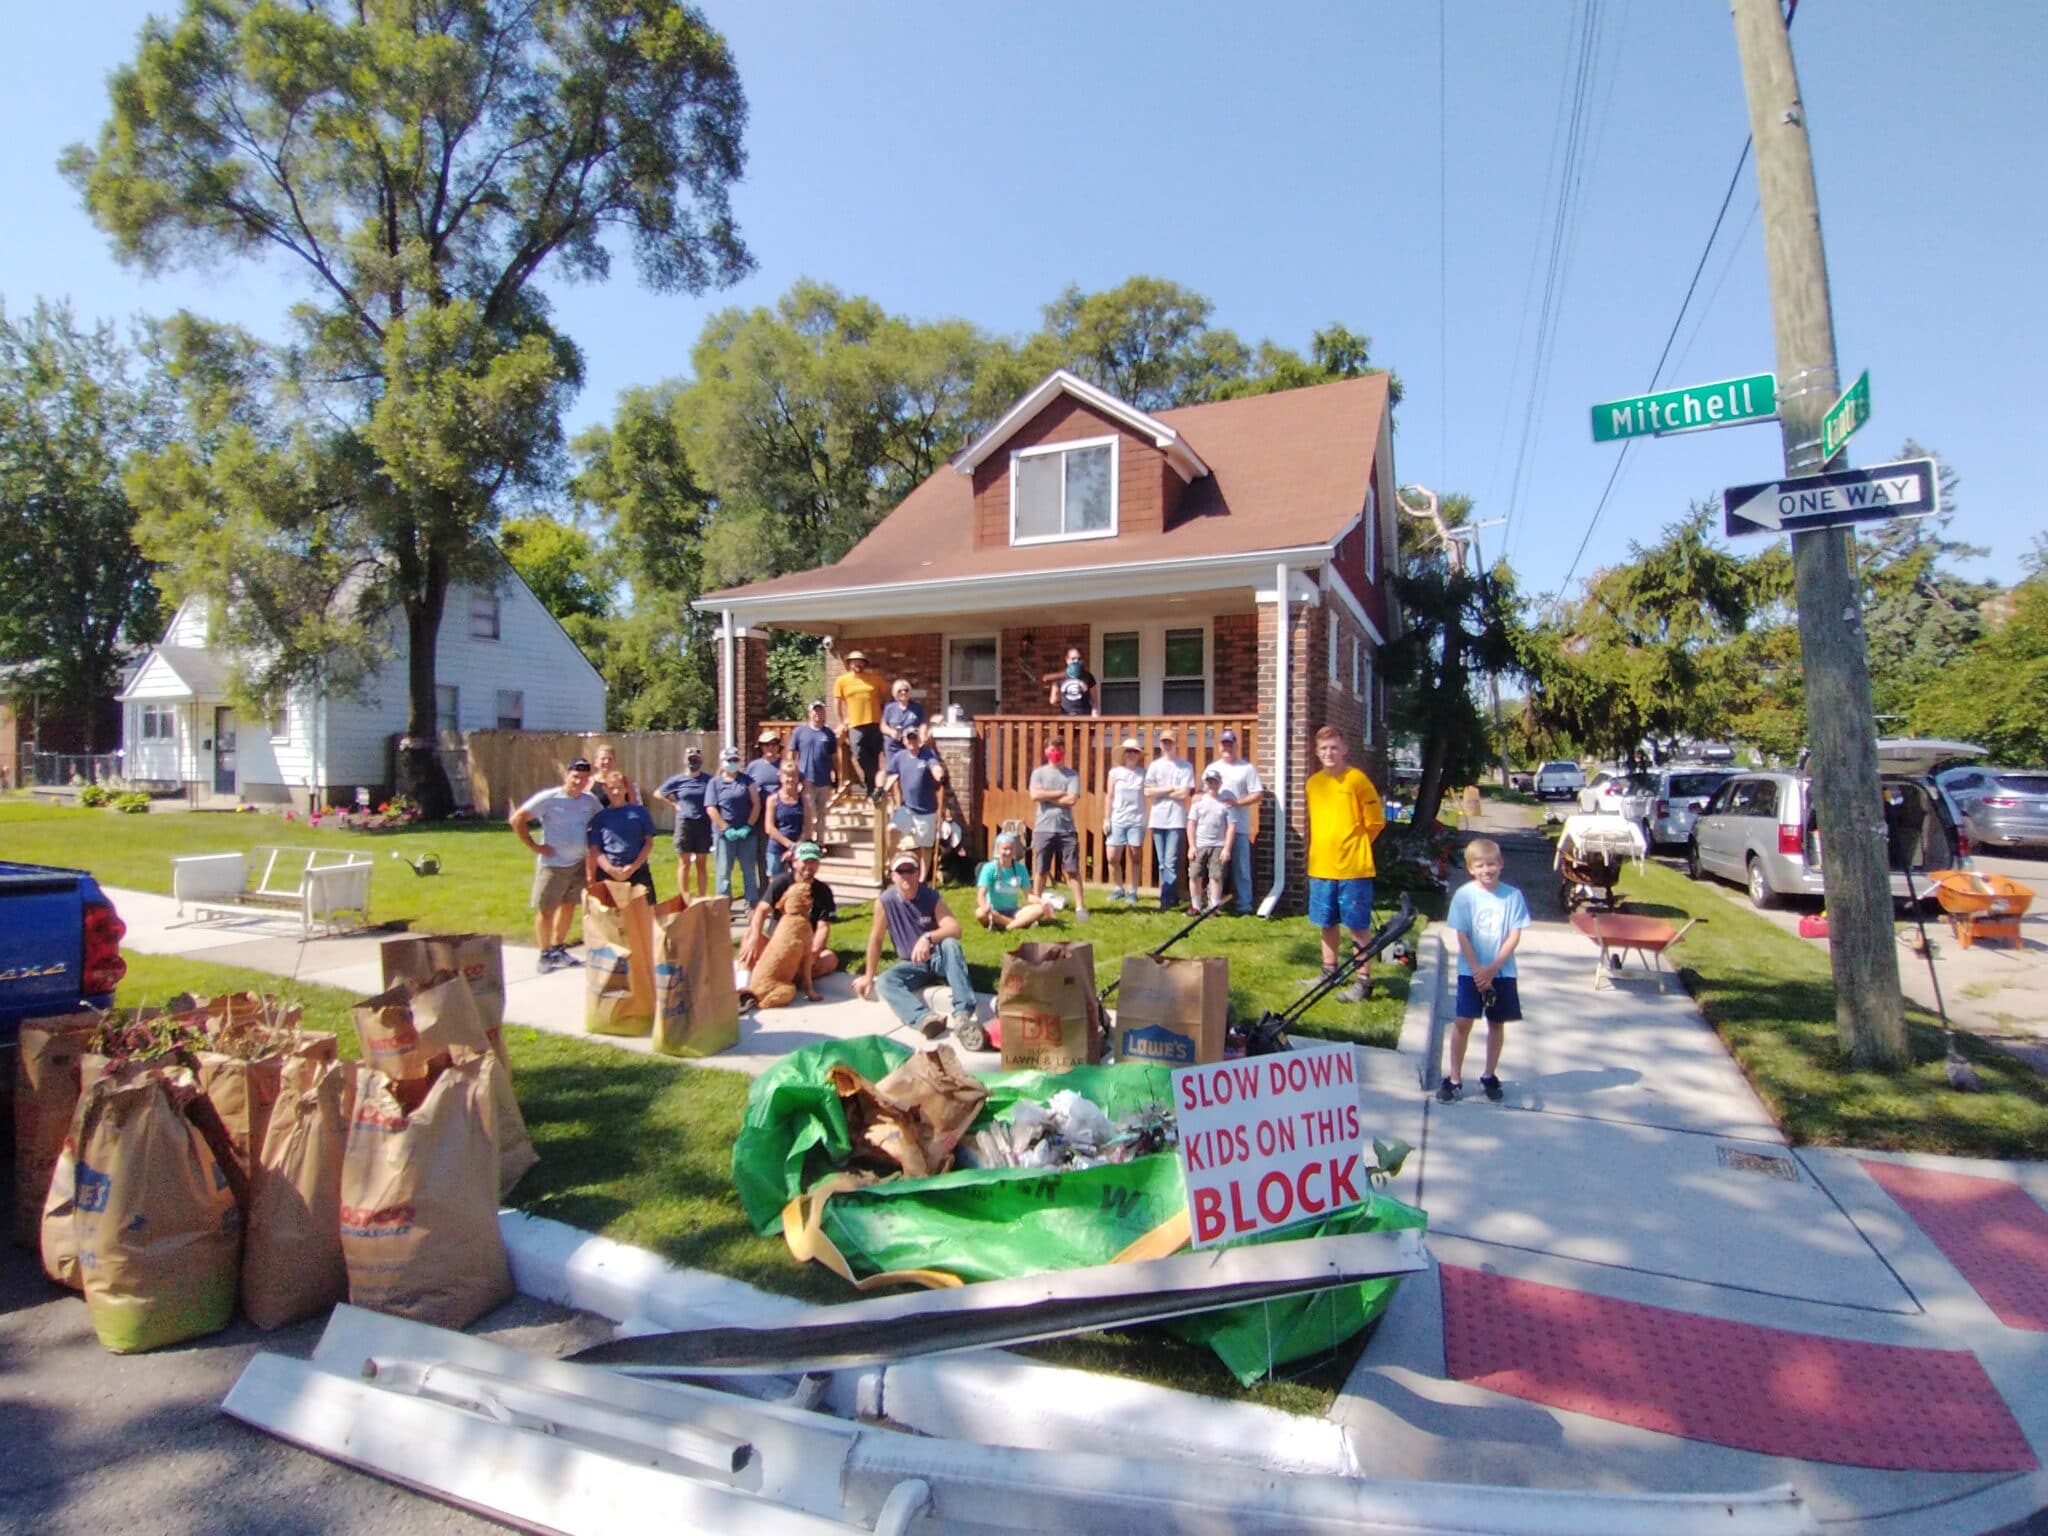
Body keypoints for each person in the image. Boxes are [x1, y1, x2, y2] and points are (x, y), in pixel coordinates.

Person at [1438, 838, 1531, 1104]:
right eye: (1480, 865)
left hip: (1502, 972)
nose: (1487, 870)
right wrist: (1479, 970)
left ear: (1501, 864)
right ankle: (1454, 1078)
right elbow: (1462, 935)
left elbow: (1514, 935)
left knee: (1496, 1023)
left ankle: (1489, 1075)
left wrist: (1492, 969)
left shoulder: (1512, 896)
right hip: (1471, 972)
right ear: (1470, 868)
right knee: (1463, 1022)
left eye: (1492, 864)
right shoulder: (1465, 896)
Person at [854, 847, 977, 1039]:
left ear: (918, 873)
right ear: (892, 876)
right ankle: (925, 1019)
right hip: (913, 963)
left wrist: (927, 938)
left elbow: (955, 929)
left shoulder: (931, 897)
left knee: (950, 944)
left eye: (910, 871)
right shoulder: (885, 902)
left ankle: (963, 1014)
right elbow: (876, 939)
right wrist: (869, 975)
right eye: (900, 871)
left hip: (937, 957)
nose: (906, 876)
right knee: (886, 981)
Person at [1305, 725, 1386, 1002]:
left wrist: (1356, 848)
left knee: (1357, 926)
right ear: (1317, 752)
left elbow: (1375, 823)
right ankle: (1328, 973)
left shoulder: (1357, 780)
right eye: (1324, 748)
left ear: (1344, 749)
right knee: (1326, 923)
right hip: (1321, 866)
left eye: (1334, 748)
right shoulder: (1313, 783)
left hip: (1354, 868)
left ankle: (1363, 982)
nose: (1329, 753)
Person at [510, 756, 599, 974]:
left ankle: (559, 948)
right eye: (575, 777)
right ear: (567, 775)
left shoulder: (589, 801)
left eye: (584, 778)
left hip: (578, 863)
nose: (578, 782)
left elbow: (602, 820)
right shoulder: (549, 798)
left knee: (569, 906)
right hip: (553, 865)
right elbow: (517, 819)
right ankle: (544, 953)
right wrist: (534, 846)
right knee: (546, 910)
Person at [736, 840, 840, 990]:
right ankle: (742, 987)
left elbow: (823, 927)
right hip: (776, 946)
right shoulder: (782, 882)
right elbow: (761, 911)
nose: (809, 866)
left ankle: (790, 977)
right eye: (805, 861)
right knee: (749, 936)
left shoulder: (823, 891)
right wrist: (754, 939)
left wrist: (813, 954)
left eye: (813, 861)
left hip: (803, 951)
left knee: (830, 959)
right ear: (795, 862)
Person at [1203, 728, 1265, 914]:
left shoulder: (1246, 768)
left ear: (1235, 745)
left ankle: (1244, 906)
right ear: (1219, 746)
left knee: (1242, 869)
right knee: (1216, 869)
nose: (1227, 747)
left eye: (1230, 744)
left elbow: (1258, 794)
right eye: (1224, 744)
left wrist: (1237, 802)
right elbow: (1202, 792)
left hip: (1239, 827)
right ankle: (1214, 904)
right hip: (1215, 830)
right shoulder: (1212, 768)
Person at [1028, 740, 1088, 921]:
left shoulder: (1071, 775)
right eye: (1052, 749)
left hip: (1066, 828)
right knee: (1041, 869)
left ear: (1065, 751)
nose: (1056, 752)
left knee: (1072, 870)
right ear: (1046, 751)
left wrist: (1046, 795)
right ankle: (1036, 907)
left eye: (1059, 749)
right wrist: (1059, 793)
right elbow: (1035, 795)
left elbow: (1071, 800)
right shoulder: (1038, 773)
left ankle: (1080, 907)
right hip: (1043, 828)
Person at [882, 721, 947, 885]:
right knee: (891, 830)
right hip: (907, 808)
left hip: (926, 810)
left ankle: (921, 880)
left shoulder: (927, 754)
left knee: (925, 846)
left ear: (918, 739)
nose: (911, 741)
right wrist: (880, 788)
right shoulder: (900, 757)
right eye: (908, 738)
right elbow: (888, 774)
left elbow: (935, 768)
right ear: (904, 741)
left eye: (914, 738)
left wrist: (940, 776)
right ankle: (892, 867)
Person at [586, 767, 658, 900]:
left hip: (638, 872)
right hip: (609, 874)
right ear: (605, 789)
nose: (616, 791)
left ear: (625, 789)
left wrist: (634, 867)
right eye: (612, 788)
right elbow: (595, 849)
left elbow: (648, 843)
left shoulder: (640, 812)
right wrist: (610, 869)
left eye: (619, 787)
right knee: (612, 918)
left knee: (645, 916)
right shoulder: (600, 817)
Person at [1144, 729, 1194, 911]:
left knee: (1170, 860)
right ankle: (1168, 896)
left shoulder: (1185, 766)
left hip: (1176, 819)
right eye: (1164, 742)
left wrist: (1162, 790)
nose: (1167, 745)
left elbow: (1185, 792)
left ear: (1176, 743)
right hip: (1157, 819)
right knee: (1162, 861)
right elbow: (1148, 791)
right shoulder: (1155, 766)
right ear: (1160, 744)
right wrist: (1171, 788)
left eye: (1170, 741)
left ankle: (1166, 899)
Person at [653, 746, 713, 900]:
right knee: (684, 862)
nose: (693, 762)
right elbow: (658, 793)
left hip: (703, 823)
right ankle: (684, 897)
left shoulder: (708, 780)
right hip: (685, 823)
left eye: (696, 759)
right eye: (691, 759)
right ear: (685, 761)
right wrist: (673, 804)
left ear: (701, 761)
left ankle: (701, 897)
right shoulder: (678, 780)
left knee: (701, 862)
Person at [706, 745, 762, 908]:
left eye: (735, 760)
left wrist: (748, 826)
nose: (733, 763)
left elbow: (756, 804)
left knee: (749, 871)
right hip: (724, 836)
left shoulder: (747, 781)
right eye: (729, 760)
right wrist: (725, 828)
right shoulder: (714, 783)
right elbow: (711, 808)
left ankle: (751, 903)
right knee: (723, 872)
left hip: (746, 834)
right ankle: (723, 905)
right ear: (723, 762)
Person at [833, 648, 886, 797]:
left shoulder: (875, 679)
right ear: (849, 664)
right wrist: (842, 722)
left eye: (860, 662)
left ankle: (872, 790)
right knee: (859, 754)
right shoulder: (842, 681)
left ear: (864, 663)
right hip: (855, 724)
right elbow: (837, 702)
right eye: (854, 662)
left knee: (875, 756)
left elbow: (886, 696)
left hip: (874, 723)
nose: (857, 664)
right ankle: (873, 781)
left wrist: (883, 713)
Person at [1186, 768, 1236, 914]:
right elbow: (1191, 824)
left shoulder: (1225, 804)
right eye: (1209, 781)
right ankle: (1196, 906)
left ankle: (1213, 907)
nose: (1212, 784)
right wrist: (1191, 846)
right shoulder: (1198, 803)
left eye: (1215, 781)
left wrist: (1227, 848)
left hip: (1218, 845)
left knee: (1216, 876)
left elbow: (1231, 827)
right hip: (1200, 845)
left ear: (1219, 783)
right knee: (1195, 875)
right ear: (1205, 783)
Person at [1103, 738, 1146, 904]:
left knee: (1135, 855)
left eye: (1135, 751)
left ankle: (1133, 890)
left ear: (1139, 755)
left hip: (1137, 820)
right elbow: (1110, 795)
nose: (1131, 754)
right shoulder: (1115, 773)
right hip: (1117, 819)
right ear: (1123, 754)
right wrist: (1106, 818)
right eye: (1128, 751)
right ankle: (1118, 888)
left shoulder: (1144, 773)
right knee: (1112, 856)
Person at [975, 830, 1047, 931]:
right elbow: (981, 895)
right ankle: (1019, 923)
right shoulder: (989, 868)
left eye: (1011, 849)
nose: (1008, 852)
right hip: (994, 911)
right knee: (980, 913)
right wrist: (985, 906)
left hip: (1014, 911)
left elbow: (1029, 896)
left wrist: (1042, 902)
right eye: (1005, 849)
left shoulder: (1021, 868)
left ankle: (1008, 925)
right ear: (998, 850)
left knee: (1039, 909)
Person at [742, 729, 785, 893]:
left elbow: (801, 782)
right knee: (762, 852)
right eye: (766, 744)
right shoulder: (753, 767)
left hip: (780, 816)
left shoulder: (784, 765)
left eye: (773, 744)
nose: (770, 748)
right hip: (759, 816)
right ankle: (765, 889)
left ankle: (781, 887)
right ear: (760, 747)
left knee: (780, 853)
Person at [789, 700, 838, 840]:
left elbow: (834, 757)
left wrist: (837, 776)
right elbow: (792, 754)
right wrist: (793, 773)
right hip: (805, 779)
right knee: (807, 811)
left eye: (820, 710)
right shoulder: (800, 732)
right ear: (810, 713)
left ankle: (820, 842)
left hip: (823, 779)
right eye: (815, 711)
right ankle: (807, 840)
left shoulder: (829, 734)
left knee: (822, 812)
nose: (818, 713)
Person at [763, 767, 808, 883]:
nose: (790, 779)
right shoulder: (773, 799)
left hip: (798, 847)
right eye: (787, 776)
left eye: (794, 776)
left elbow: (808, 827)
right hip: (777, 847)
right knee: (776, 884)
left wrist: (795, 847)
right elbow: (769, 828)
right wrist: (789, 845)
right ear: (781, 778)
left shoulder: (804, 800)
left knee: (799, 881)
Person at [1045, 645, 1099, 716]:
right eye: (1073, 659)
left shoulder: (1088, 676)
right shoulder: (1060, 677)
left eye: (1079, 659)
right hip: (1066, 717)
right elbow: (1053, 700)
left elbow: (1095, 701)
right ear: (1067, 660)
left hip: (1085, 718)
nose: (1076, 661)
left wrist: (1095, 714)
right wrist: (1064, 702)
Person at [881, 678, 925, 752]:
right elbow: (883, 726)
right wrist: (891, 732)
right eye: (900, 691)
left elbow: (923, 724)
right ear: (895, 692)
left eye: (906, 690)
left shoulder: (917, 707)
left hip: (911, 743)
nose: (903, 692)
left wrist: (922, 735)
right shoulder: (890, 708)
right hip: (893, 745)